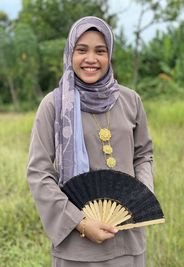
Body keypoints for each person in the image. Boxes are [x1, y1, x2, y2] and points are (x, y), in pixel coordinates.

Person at [27, 16, 153, 267]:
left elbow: (143, 154)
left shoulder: (131, 100)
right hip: (77, 245)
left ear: (110, 54)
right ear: (69, 53)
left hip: (128, 238)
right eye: (81, 50)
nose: (91, 59)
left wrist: (141, 197)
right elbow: (38, 173)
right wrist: (81, 223)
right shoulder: (53, 105)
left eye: (100, 51)